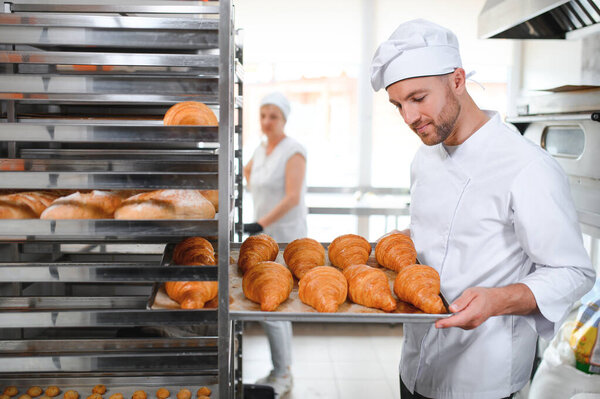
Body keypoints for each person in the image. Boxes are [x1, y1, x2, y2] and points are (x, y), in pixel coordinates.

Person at [370, 19, 596, 399]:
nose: (409, 119)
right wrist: (399, 244)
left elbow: (574, 272)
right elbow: (444, 235)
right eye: (398, 105)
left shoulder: (527, 167)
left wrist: (497, 300)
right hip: (414, 365)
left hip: (480, 378)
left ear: (457, 80)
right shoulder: (425, 157)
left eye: (418, 98)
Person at [243, 91, 308, 397]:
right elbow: (247, 176)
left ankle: (283, 373)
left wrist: (261, 223)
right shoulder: (260, 149)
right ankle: (279, 369)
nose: (267, 122)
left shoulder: (293, 150)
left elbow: (292, 197)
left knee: (275, 306)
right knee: (268, 306)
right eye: (263, 115)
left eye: (273, 117)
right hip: (263, 237)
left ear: (284, 120)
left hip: (284, 237)